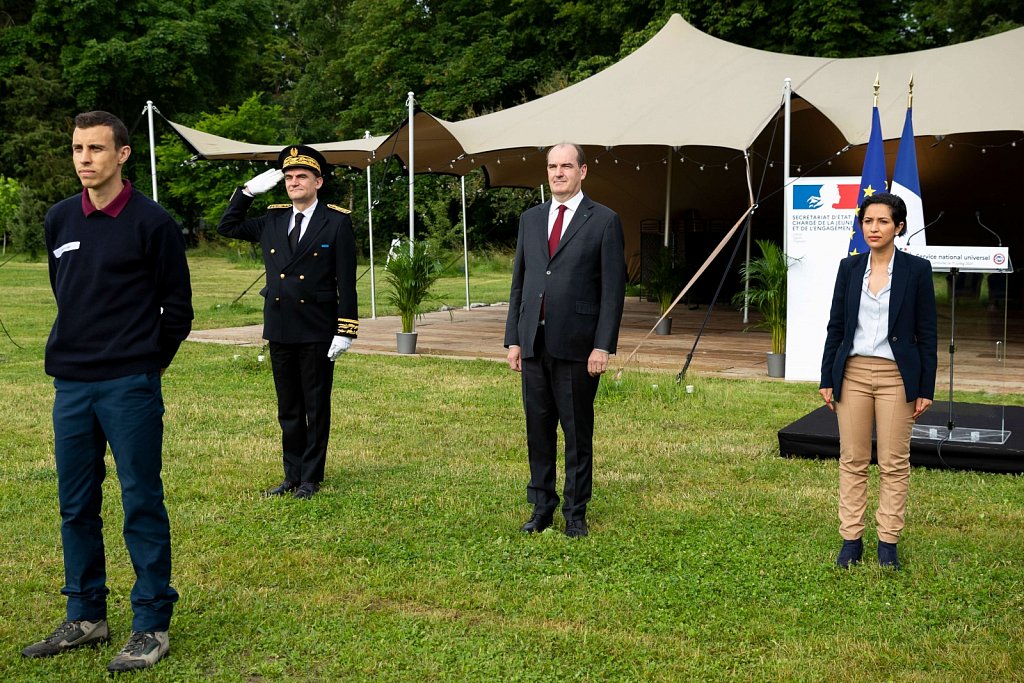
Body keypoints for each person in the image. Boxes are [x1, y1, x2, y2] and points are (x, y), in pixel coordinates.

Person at [22, 111, 193, 673]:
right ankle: (86, 614)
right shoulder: (59, 219)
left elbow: (178, 312)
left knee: (140, 499)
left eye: (95, 148)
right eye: (76, 149)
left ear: (122, 154)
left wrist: (143, 367)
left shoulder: (152, 223)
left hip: (129, 385)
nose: (84, 159)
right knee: (76, 505)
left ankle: (150, 623)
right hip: (71, 385)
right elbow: (66, 293)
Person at [218, 145, 358, 500]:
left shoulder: (336, 221)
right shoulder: (273, 219)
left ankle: (311, 478)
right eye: (289, 177)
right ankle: (291, 476)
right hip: (280, 325)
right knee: (288, 408)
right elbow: (228, 226)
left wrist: (346, 329)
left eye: (302, 177)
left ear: (318, 182)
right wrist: (247, 192)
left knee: (315, 405)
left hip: (316, 327)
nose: (294, 183)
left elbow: (346, 280)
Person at [504, 143, 626, 538]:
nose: (558, 173)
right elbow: (520, 283)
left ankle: (575, 512)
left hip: (578, 346)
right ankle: (541, 507)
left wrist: (602, 345)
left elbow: (613, 291)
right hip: (533, 344)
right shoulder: (531, 219)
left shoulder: (604, 221)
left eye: (566, 166)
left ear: (583, 172)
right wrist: (514, 340)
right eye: (552, 166)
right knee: (537, 431)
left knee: (577, 434)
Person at [819, 192, 937, 570]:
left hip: (897, 377)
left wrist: (925, 387)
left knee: (893, 462)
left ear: (898, 227)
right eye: (868, 221)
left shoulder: (916, 270)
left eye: (883, 221)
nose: (874, 228)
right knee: (852, 459)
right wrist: (827, 376)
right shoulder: (849, 269)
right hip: (851, 373)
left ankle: (888, 542)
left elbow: (927, 332)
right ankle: (851, 539)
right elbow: (836, 326)